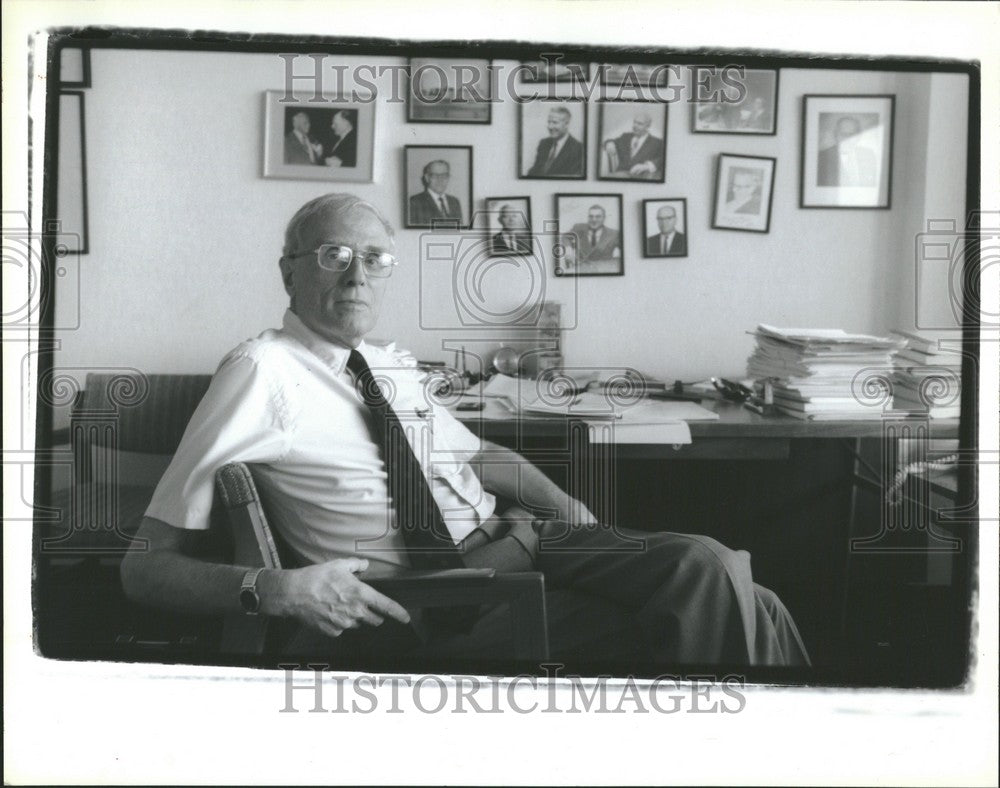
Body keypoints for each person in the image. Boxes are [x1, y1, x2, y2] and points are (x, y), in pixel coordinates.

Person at [121, 193, 810, 668]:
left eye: (376, 258)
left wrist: (568, 513)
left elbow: (482, 454)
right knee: (740, 597)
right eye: (333, 255)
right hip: (441, 599)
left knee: (719, 572)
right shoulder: (260, 371)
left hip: (525, 540)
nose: (358, 274)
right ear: (289, 271)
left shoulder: (385, 362)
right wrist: (267, 588)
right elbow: (143, 568)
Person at [817, 115, 878, 187]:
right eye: (843, 134)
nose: (847, 139)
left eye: (851, 134)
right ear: (835, 134)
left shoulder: (868, 155)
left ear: (858, 136)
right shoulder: (822, 157)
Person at [602, 111, 664, 179]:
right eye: (634, 122)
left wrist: (647, 166)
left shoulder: (657, 142)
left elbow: (663, 158)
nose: (635, 126)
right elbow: (609, 141)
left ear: (648, 126)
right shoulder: (625, 137)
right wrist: (609, 143)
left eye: (640, 124)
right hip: (620, 175)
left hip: (642, 177)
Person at [526, 106, 584, 178]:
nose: (550, 126)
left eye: (555, 122)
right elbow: (535, 170)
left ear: (566, 124)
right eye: (549, 122)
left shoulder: (578, 149)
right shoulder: (543, 143)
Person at [408, 160, 464, 226]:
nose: (440, 179)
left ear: (448, 178)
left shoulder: (455, 202)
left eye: (444, 175)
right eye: (435, 175)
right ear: (427, 178)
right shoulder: (414, 202)